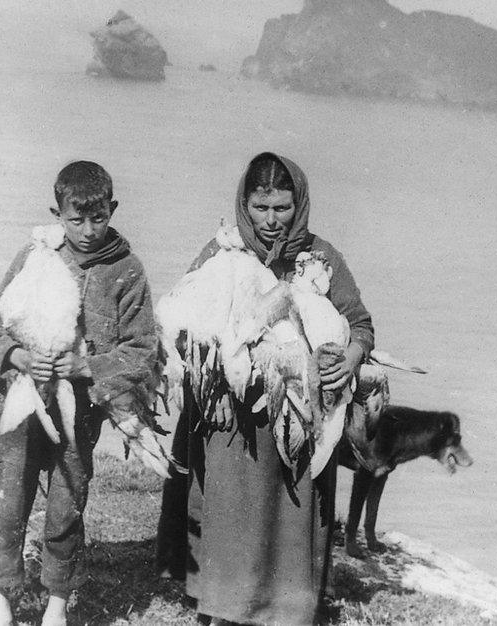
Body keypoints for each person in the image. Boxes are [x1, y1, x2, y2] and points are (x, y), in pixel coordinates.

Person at [158, 152, 375, 625]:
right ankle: (222, 610)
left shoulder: (321, 258)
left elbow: (360, 323)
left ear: (299, 205)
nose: (272, 221)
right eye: (261, 208)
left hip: (297, 422)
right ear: (244, 203)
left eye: (282, 208)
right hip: (232, 428)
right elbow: (181, 315)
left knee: (290, 517)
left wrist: (349, 359)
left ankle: (284, 611)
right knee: (232, 514)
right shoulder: (221, 254)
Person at [0, 161, 158, 626]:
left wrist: (87, 366)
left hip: (79, 410)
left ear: (111, 210)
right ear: (56, 213)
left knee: (66, 501)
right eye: (74, 219)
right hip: (19, 402)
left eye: (97, 218)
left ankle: (57, 601)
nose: (86, 230)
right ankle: (2, 594)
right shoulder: (36, 253)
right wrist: (17, 357)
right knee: (10, 495)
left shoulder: (127, 269)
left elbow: (141, 348)